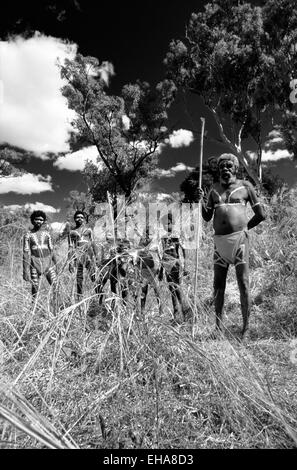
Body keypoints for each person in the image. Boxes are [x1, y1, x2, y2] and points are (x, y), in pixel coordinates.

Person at [197, 153, 265, 339]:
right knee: (218, 285)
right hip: (219, 243)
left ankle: (246, 328)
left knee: (243, 283)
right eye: (222, 167)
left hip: (240, 242)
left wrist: (244, 229)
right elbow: (206, 217)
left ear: (236, 168)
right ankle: (217, 328)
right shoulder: (213, 190)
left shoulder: (246, 187)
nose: (225, 169)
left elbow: (262, 214)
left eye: (229, 165)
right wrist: (201, 201)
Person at [159, 212, 191, 324]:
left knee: (177, 288)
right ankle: (176, 313)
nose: (166, 226)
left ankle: (184, 313)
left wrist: (185, 266)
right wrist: (161, 270)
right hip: (166, 265)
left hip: (175, 265)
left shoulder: (176, 236)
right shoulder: (163, 238)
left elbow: (184, 251)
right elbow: (163, 253)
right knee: (171, 289)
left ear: (173, 224)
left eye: (168, 224)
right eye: (164, 224)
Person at [23, 210, 57, 298]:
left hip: (48, 264)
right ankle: (34, 308)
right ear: (32, 220)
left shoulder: (47, 234)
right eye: (37, 219)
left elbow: (52, 251)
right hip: (34, 263)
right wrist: (25, 271)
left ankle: (57, 307)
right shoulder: (27, 235)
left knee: (55, 286)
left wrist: (56, 265)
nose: (39, 221)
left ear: (43, 221)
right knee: (35, 288)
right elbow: (26, 253)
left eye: (41, 220)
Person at [68, 210, 99, 298]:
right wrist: (70, 262)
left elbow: (93, 243)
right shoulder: (71, 232)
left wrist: (97, 257)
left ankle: (99, 295)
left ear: (84, 219)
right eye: (78, 217)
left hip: (89, 256)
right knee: (79, 278)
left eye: (82, 217)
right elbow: (70, 247)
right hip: (77, 257)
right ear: (74, 219)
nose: (80, 219)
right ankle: (79, 298)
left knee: (93, 276)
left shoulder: (89, 230)